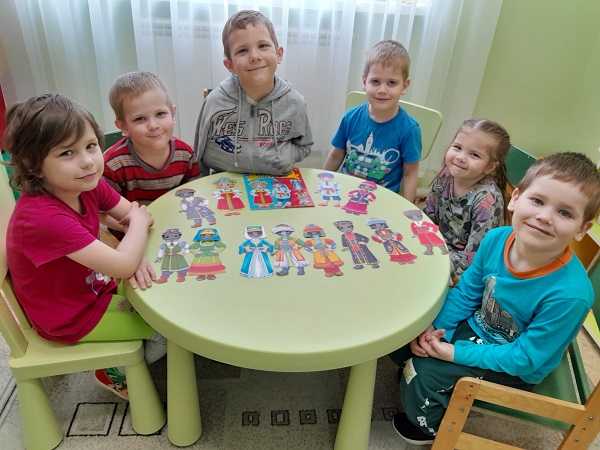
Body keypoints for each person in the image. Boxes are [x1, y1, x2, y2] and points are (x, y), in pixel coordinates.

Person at [389, 152, 600, 445]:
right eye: (537, 201)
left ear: (582, 229)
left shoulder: (570, 295)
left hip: (516, 364)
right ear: (515, 199)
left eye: (565, 213)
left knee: (422, 374)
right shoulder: (496, 239)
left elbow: (526, 360)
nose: (544, 217)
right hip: (479, 328)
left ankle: (428, 428)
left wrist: (453, 353)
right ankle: (426, 373)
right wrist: (437, 330)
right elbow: (466, 293)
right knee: (403, 335)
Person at [4, 94, 166, 401]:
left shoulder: (85, 182)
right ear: (33, 165)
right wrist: (135, 236)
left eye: (91, 146)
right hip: (69, 318)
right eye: (67, 152)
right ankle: (113, 371)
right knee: (166, 331)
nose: (88, 161)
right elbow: (130, 239)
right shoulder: (42, 218)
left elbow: (130, 216)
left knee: (161, 290)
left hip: (94, 287)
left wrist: (134, 242)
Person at [193, 10, 313, 176]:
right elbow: (199, 153)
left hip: (276, 183)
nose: (255, 56)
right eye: (242, 50)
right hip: (224, 184)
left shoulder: (295, 102)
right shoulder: (215, 101)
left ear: (279, 54)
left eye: (263, 46)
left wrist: (284, 158)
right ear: (230, 65)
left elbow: (305, 145)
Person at [324, 40, 420, 202]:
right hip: (344, 193)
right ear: (364, 82)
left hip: (382, 200)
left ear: (404, 86)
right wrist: (323, 184)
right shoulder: (350, 117)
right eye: (375, 81)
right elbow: (335, 155)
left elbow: (410, 173)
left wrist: (408, 208)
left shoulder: (410, 129)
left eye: (392, 83)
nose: (382, 90)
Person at [423, 119, 510, 279]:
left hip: (464, 268)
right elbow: (428, 217)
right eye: (457, 147)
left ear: (490, 167)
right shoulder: (446, 175)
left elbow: (475, 258)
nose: (460, 157)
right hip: (436, 246)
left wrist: (435, 262)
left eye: (474, 155)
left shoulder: (487, 201)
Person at [104, 71, 200, 205]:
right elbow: (107, 210)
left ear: (172, 113)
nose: (153, 126)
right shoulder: (112, 166)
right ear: (123, 127)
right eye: (140, 119)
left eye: (160, 114)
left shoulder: (185, 154)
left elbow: (194, 193)